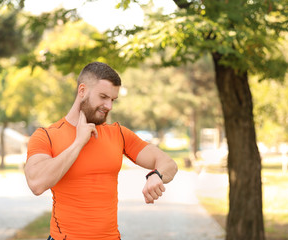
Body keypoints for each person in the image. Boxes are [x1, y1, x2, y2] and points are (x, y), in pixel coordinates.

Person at [24, 62, 178, 240]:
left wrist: (156, 175)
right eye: (103, 97)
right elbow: (36, 183)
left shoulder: (118, 133)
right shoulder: (46, 136)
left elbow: (169, 164)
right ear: (82, 91)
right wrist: (78, 142)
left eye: (112, 99)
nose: (109, 106)